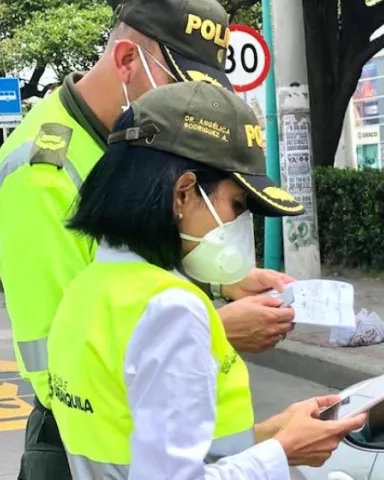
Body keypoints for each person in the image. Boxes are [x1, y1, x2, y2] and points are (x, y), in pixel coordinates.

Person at [0, 1, 298, 477]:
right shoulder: (42, 174)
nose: (189, 106)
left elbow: (131, 272)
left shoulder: (141, 144)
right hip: (76, 438)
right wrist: (211, 332)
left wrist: (218, 280)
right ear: (125, 61)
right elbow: (63, 356)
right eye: (179, 83)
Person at [46, 80, 366, 479]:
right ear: (183, 194)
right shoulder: (172, 308)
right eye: (236, 205)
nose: (237, 225)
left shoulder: (87, 288)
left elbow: (150, 446)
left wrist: (272, 434)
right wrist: (281, 452)